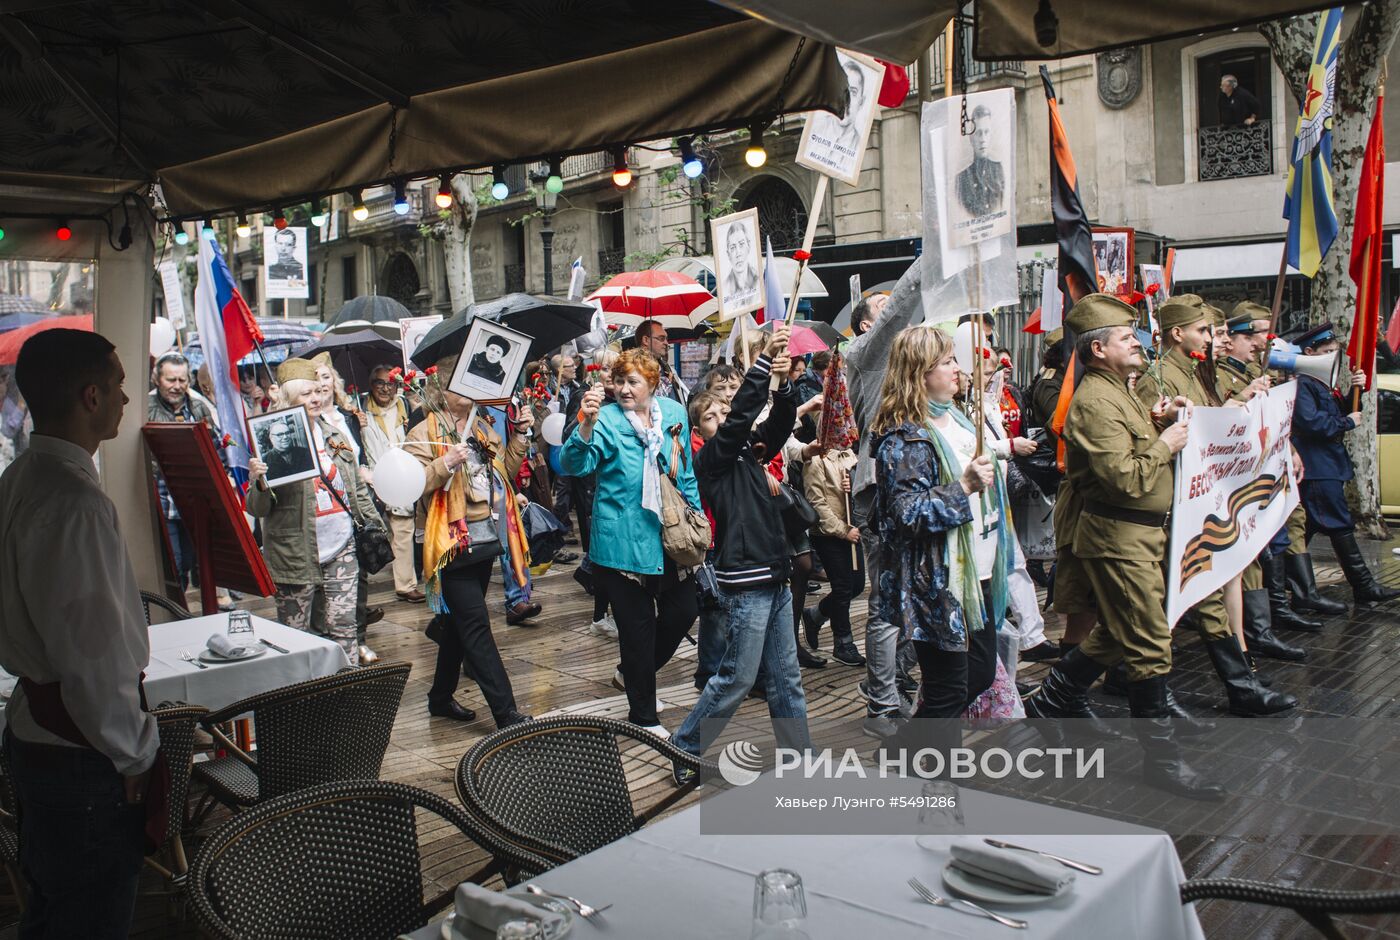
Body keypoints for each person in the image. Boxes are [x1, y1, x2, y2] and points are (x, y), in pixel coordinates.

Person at [1023, 294, 1225, 800]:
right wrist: (1167, 444)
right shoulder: (1094, 401)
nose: (1137, 343)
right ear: (1096, 351)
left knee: (1119, 630)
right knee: (1149, 643)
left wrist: (1156, 425)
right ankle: (1162, 761)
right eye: (1125, 338)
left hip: (1141, 533)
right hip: (1118, 536)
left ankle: (1054, 698)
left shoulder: (1120, 391)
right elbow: (1124, 479)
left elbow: (1131, 450)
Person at [0, 329, 159, 939]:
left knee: (53, 907)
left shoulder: (21, 477)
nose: (126, 398)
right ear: (90, 396)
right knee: (88, 919)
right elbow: (93, 661)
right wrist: (135, 753)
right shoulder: (73, 501)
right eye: (119, 386)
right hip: (79, 751)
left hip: (37, 733)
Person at [1133, 294, 1294, 715]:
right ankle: (1233, 685)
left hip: (1197, 499)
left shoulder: (1193, 372)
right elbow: (1164, 440)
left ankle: (1238, 683)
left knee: (1197, 591)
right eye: (1204, 330)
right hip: (1175, 502)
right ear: (1178, 333)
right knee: (1185, 595)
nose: (1212, 337)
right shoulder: (1161, 379)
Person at [672, 328, 813, 783]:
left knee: (786, 679)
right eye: (713, 415)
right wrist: (758, 366)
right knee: (734, 678)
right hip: (745, 580)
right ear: (700, 430)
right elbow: (739, 425)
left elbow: (778, 422)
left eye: (725, 410)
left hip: (773, 574)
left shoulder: (749, 454)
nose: (724, 416)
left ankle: (800, 760)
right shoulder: (711, 459)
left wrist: (785, 381)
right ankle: (684, 747)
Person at [866, 326, 998, 768]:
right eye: (947, 362)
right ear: (920, 374)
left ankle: (903, 749)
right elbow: (905, 513)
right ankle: (938, 788)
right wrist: (962, 488)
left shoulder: (959, 419)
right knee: (948, 690)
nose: (958, 368)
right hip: (936, 581)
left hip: (976, 573)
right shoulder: (904, 437)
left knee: (978, 674)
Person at [560, 349, 701, 735]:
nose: (623, 388)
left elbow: (684, 469)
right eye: (618, 381)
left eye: (632, 381)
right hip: (620, 542)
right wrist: (584, 426)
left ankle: (631, 674)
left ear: (652, 384)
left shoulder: (672, 414)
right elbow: (575, 466)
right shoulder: (603, 419)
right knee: (637, 630)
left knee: (683, 610)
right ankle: (644, 715)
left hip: (669, 535)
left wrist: (697, 519)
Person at [408, 353, 534, 729]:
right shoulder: (423, 432)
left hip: (484, 538)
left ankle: (440, 697)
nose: (469, 388)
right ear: (441, 388)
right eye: (458, 382)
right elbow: (413, 486)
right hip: (449, 544)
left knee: (460, 622)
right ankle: (506, 712)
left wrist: (522, 434)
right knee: (476, 625)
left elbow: (505, 474)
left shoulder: (481, 427)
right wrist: (444, 463)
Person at [247, 359, 377, 666]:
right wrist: (260, 481)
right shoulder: (273, 439)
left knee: (345, 629)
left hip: (342, 548)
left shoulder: (335, 435)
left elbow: (355, 488)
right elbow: (258, 508)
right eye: (306, 394)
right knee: (296, 636)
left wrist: (375, 526)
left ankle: (346, 689)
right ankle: (305, 700)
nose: (316, 398)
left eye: (318, 391)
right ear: (290, 400)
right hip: (294, 554)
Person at [846, 260, 922, 739]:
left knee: (922, 596)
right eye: (882, 308)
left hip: (918, 491)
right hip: (881, 493)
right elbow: (899, 310)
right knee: (890, 601)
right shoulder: (865, 354)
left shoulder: (911, 365)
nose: (893, 311)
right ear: (868, 326)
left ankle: (896, 676)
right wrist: (937, 248)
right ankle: (881, 701)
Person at [1292, 321, 1400, 605]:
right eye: (1326, 351)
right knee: (1337, 525)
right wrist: (1345, 422)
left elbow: (1343, 412)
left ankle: (1297, 592)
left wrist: (1357, 393)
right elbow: (1312, 423)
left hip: (1327, 464)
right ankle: (1361, 586)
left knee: (1303, 531)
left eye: (1334, 351)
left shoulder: (1321, 383)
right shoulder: (1303, 383)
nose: (1332, 356)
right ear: (1309, 352)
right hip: (1316, 466)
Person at [147, 351, 222, 594]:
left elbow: (217, 445)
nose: (177, 386)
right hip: (162, 497)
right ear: (157, 379)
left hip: (193, 498)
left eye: (181, 380)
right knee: (174, 563)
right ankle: (174, 615)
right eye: (171, 380)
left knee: (192, 560)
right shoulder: (145, 407)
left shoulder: (199, 406)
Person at [802, 438, 865, 666]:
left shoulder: (849, 454)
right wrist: (842, 530)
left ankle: (815, 615)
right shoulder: (816, 458)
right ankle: (843, 642)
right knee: (842, 587)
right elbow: (816, 502)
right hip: (828, 534)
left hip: (852, 527)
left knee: (856, 585)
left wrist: (853, 484)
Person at [363, 364, 424, 602]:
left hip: (401, 477)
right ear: (371, 385)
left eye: (390, 383)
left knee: (403, 529)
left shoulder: (408, 408)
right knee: (372, 532)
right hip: (372, 478)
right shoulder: (359, 412)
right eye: (379, 383)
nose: (385, 388)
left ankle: (406, 584)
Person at [955, 103, 1005, 217]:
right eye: (978, 133)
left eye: (986, 132)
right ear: (971, 139)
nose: (983, 139)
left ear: (991, 135)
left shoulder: (1000, 171)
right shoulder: (961, 179)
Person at [636, 319, 689, 404]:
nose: (666, 343)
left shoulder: (668, 370)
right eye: (661, 339)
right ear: (646, 340)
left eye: (666, 339)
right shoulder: (633, 370)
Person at [260, 415, 315, 479]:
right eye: (280, 434)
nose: (285, 437)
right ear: (271, 438)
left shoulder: (305, 452)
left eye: (287, 433)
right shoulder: (264, 461)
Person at [722, 221, 760, 307]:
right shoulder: (725, 288)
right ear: (728, 254)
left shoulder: (759, 281)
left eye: (741, 244)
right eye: (733, 247)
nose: (738, 253)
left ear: (748, 246)